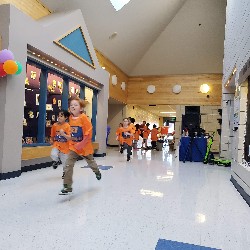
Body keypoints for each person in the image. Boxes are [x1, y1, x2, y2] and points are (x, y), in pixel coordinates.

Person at [58, 97, 101, 194]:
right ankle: (67, 186)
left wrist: (81, 144)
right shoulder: (69, 118)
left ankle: (97, 171)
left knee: (90, 162)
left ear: (81, 109)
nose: (73, 106)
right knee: (68, 165)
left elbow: (89, 133)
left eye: (75, 105)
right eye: (71, 105)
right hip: (74, 146)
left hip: (84, 146)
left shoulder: (84, 118)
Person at [50, 110, 71, 179]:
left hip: (65, 147)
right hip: (56, 144)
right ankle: (56, 161)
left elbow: (69, 138)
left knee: (65, 163)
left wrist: (63, 134)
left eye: (61, 116)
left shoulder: (67, 126)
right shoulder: (55, 125)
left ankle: (65, 173)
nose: (59, 117)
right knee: (53, 154)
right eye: (58, 116)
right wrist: (51, 140)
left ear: (66, 118)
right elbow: (52, 135)